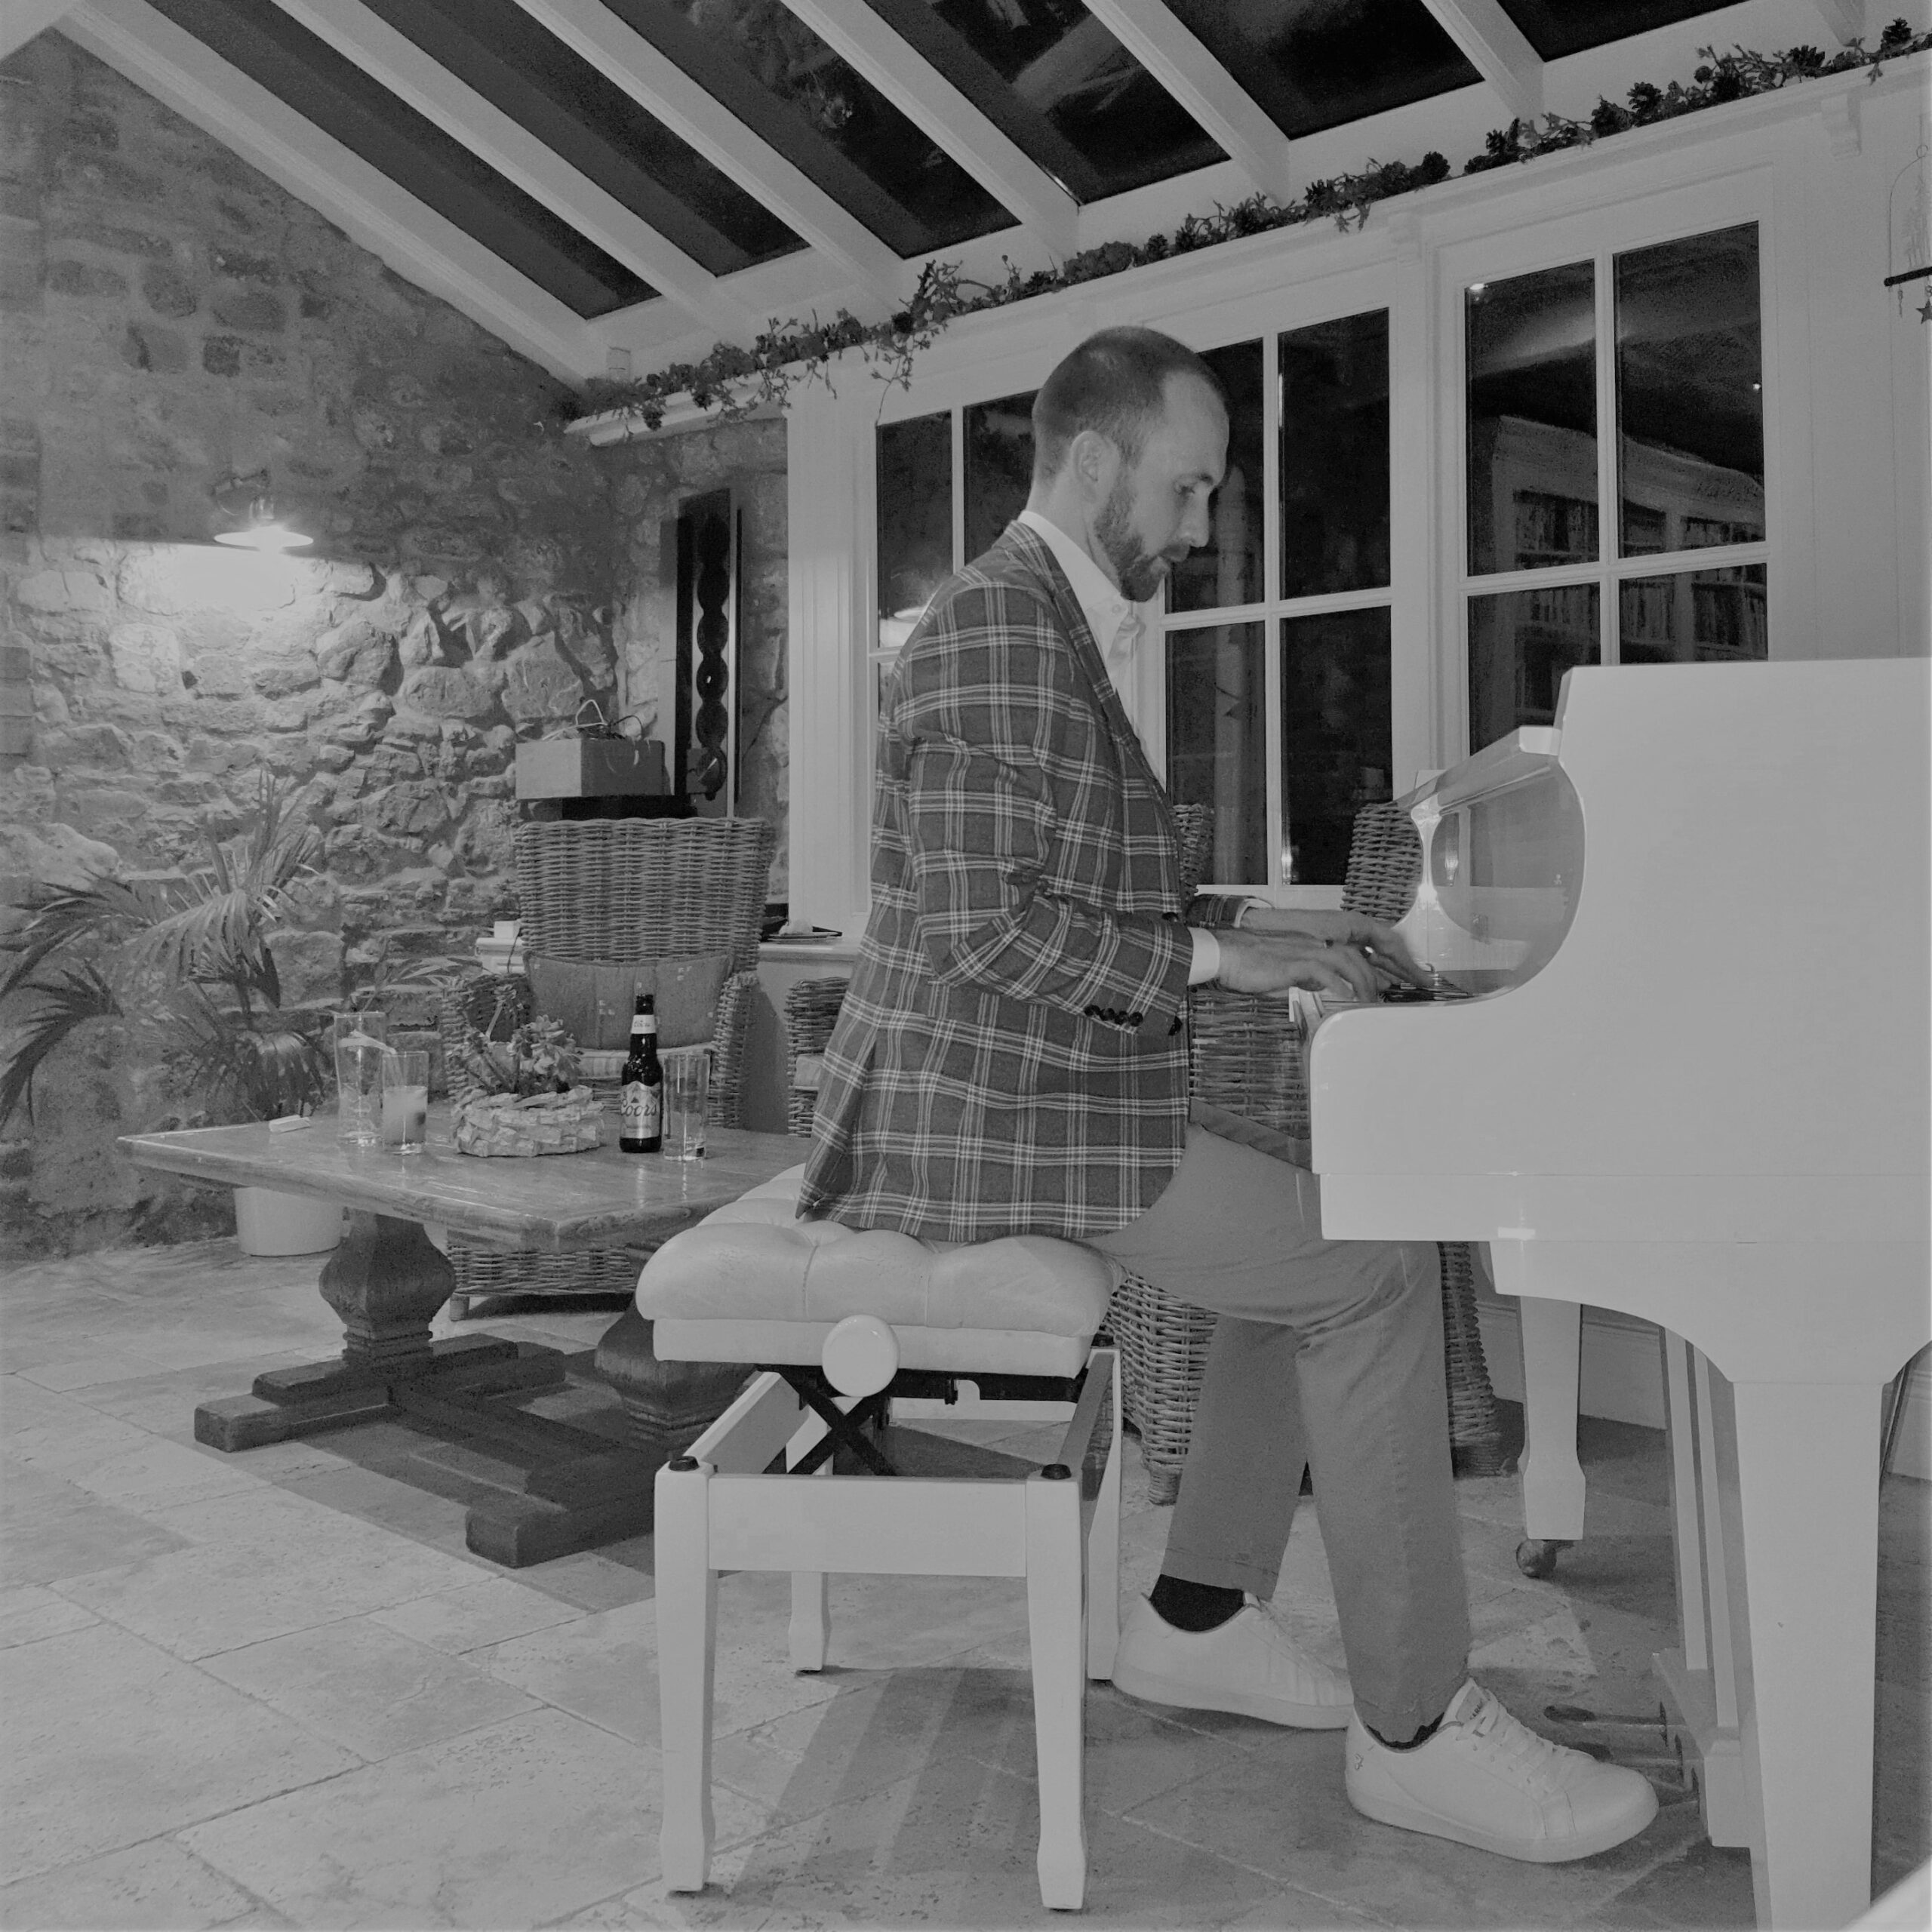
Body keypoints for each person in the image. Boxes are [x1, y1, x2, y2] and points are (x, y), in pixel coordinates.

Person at [799, 325, 1657, 1864]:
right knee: (1369, 1269)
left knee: (1310, 1236)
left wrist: (1272, 931)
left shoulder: (1043, 623)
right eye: (1187, 490)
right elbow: (981, 928)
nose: (1200, 532)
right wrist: (1219, 960)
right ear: (1090, 455)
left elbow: (1075, 885)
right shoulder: (1001, 626)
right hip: (981, 1110)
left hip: (1022, 1084)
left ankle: (1196, 1611)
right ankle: (1410, 1724)